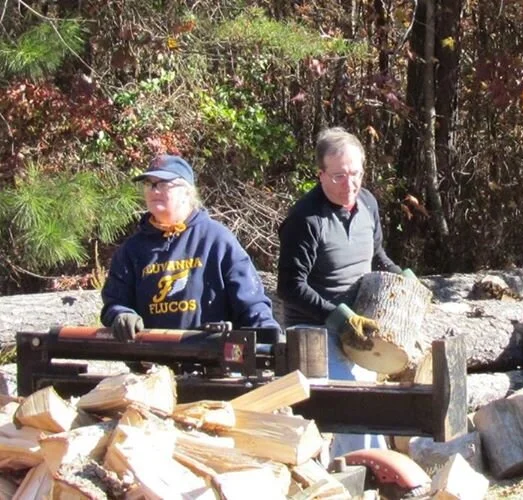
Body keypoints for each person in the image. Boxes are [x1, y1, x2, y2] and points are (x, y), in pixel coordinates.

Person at [277, 127, 402, 457]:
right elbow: (290, 286)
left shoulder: (368, 204)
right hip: (313, 334)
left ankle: (353, 472)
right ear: (320, 175)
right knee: (356, 410)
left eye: (356, 174)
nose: (350, 184)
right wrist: (337, 317)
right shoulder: (305, 219)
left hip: (359, 327)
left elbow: (378, 256)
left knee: (370, 408)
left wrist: (402, 278)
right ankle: (373, 474)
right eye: (339, 176)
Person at [101, 154, 279, 343]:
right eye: (148, 184)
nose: (154, 190)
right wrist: (122, 315)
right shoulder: (132, 250)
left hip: (210, 355)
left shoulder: (217, 239)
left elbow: (251, 302)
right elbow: (114, 302)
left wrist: (271, 339)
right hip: (151, 355)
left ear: (186, 192)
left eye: (163, 184)